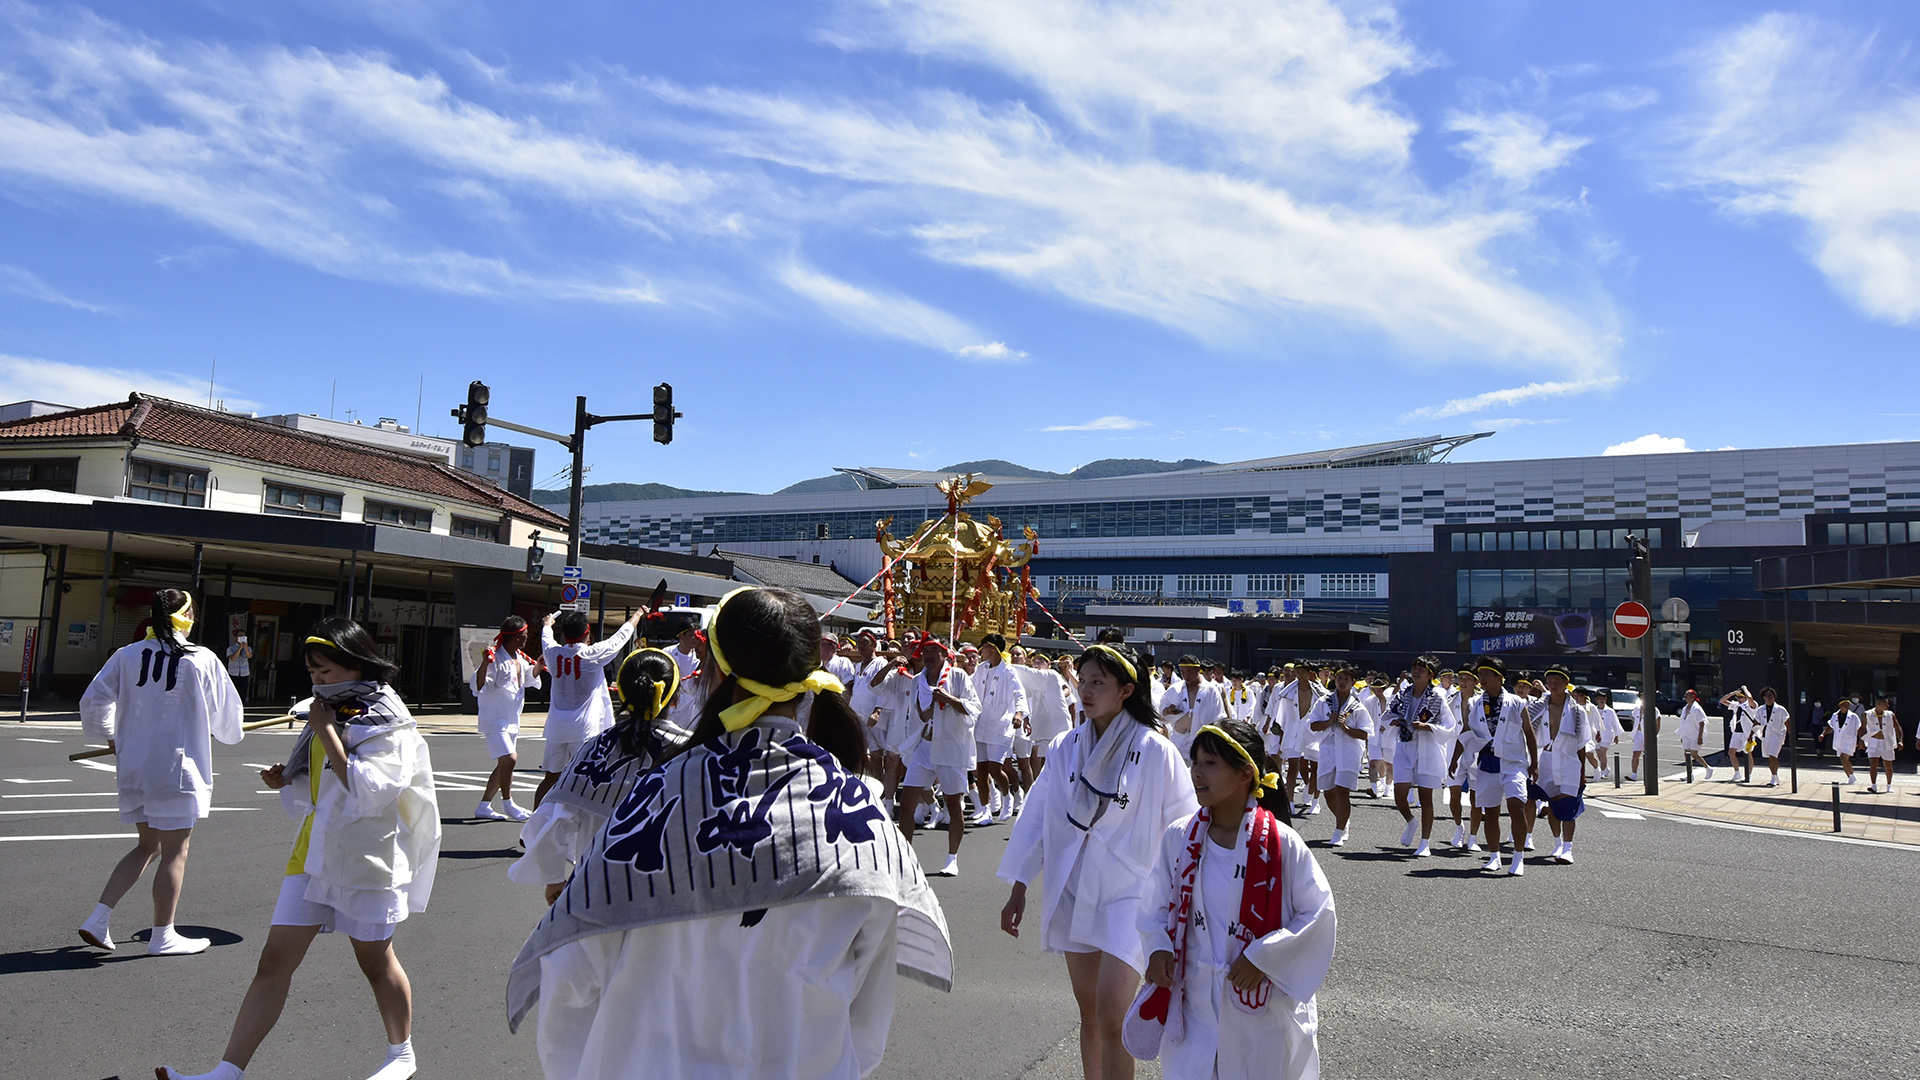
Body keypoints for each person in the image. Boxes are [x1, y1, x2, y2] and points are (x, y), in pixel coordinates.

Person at [506, 587, 952, 1080]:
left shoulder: (655, 796)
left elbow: (572, 978)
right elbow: (867, 1018)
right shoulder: (861, 812)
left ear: (714, 672)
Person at [158, 618, 439, 1080]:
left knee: (375, 960)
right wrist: (286, 775)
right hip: (313, 851)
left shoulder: (388, 719)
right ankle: (226, 1072)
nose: (317, 681)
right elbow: (324, 779)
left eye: (326, 670)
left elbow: (371, 791)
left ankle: (401, 1055)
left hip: (370, 857)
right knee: (273, 962)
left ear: (356, 665)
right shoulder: (329, 708)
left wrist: (326, 732)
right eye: (312, 671)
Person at [999, 642, 1197, 1080]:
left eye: (1098, 683)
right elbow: (1038, 814)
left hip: (1133, 893)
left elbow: (1183, 826)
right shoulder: (1066, 745)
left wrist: (1182, 901)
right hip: (1074, 884)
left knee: (1112, 1016)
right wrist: (1019, 883)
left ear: (1126, 691)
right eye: (1083, 680)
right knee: (1088, 1014)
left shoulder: (1155, 750)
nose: (1085, 691)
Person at [1131, 719, 1333, 1080]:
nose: (1197, 773)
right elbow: (1155, 904)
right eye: (1195, 762)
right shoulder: (1180, 837)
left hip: (1259, 1005)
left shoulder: (1281, 844)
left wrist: (1263, 958)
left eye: (1210, 763)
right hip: (1193, 999)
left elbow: (1317, 914)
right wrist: (1157, 946)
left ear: (1245, 774)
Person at [78, 589, 243, 956]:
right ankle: (163, 934)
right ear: (188, 617)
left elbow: (92, 701)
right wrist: (222, 729)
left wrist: (110, 735)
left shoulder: (127, 654)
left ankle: (98, 918)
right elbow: (228, 722)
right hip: (177, 769)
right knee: (174, 852)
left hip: (136, 766)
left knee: (147, 845)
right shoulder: (201, 659)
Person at [510, 646, 685, 903]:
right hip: (669, 897)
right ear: (676, 697)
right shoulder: (695, 750)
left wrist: (555, 881)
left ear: (622, 693)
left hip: (597, 892)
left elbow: (550, 818)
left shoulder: (596, 747)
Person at [535, 608, 641, 807]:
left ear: (565, 634)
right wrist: (637, 615)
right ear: (587, 634)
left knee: (550, 778)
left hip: (556, 728)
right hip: (584, 729)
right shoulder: (591, 655)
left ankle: (532, 826)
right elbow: (620, 637)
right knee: (581, 780)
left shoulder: (553, 653)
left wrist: (547, 625)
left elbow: (546, 638)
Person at [896, 638, 981, 876]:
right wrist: (930, 710)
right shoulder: (917, 681)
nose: (930, 655)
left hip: (950, 749)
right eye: (926, 651)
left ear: (945, 655)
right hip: (924, 747)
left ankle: (952, 858)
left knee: (954, 806)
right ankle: (906, 858)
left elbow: (975, 707)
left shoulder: (958, 677)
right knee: (906, 804)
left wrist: (949, 700)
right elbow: (919, 716)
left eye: (935, 651)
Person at [1465, 658, 1538, 876]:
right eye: (1480, 674)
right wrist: (1457, 758)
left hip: (1513, 762)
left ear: (1499, 677)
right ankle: (1494, 856)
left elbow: (1529, 733)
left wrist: (1534, 762)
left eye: (1487, 674)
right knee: (1491, 810)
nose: (1482, 678)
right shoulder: (1476, 703)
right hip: (1487, 762)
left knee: (1516, 805)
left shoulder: (1516, 702)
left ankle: (1518, 856)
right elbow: (1469, 733)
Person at [1382, 655, 1458, 857]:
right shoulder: (1402, 694)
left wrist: (1428, 726)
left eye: (1421, 670)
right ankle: (1410, 821)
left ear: (1430, 675)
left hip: (1427, 747)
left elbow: (1449, 725)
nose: (1416, 672)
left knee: (1426, 798)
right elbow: (1388, 714)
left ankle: (1425, 842)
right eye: (1414, 668)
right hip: (1405, 746)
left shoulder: (1437, 697)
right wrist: (1396, 721)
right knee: (1399, 794)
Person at [472, 615, 543, 822]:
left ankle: (483, 806)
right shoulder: (496, 657)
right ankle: (508, 802)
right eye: (524, 636)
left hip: (511, 718)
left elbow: (529, 678)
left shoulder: (518, 657)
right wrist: (485, 663)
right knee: (510, 759)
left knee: (504, 764)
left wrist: (537, 666)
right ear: (515, 637)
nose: (526, 639)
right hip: (495, 719)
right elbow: (479, 685)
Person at [1306, 664, 1373, 848]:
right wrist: (1329, 721)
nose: (1342, 682)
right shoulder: (1324, 701)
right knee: (1328, 792)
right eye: (1340, 678)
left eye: (1346, 679)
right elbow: (1312, 725)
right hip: (1328, 749)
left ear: (1353, 682)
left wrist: (1346, 728)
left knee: (1343, 791)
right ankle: (1343, 821)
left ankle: (1339, 830)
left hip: (1349, 750)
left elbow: (1366, 733)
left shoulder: (1357, 705)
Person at [972, 633, 1030, 824]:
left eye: (985, 647)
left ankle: (1007, 797)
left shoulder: (1008, 671)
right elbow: (969, 688)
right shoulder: (981, 669)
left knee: (995, 768)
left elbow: (1019, 694)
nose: (982, 651)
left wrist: (1019, 714)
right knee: (980, 769)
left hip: (1000, 725)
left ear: (994, 648)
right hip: (981, 725)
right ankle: (985, 810)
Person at [1536, 668, 1591, 864]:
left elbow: (1582, 743)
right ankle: (1557, 842)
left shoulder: (1577, 711)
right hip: (1546, 759)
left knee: (1568, 804)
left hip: (1569, 761)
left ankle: (1568, 848)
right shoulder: (1539, 707)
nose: (1553, 684)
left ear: (1565, 682)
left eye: (1557, 680)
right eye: (1550, 680)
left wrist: (1583, 771)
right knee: (1552, 803)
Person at [1160, 656, 1224, 762]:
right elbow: (1162, 710)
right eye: (1182, 672)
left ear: (1198, 670)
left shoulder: (1211, 690)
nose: (1185, 675)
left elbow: (1219, 717)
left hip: (1201, 742)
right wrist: (1168, 711)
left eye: (1189, 672)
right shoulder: (1175, 689)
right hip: (1179, 741)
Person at [1863, 696, 1902, 793]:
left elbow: (1897, 727)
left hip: (1887, 742)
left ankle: (1889, 785)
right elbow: (1862, 727)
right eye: (1886, 703)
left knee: (1888, 765)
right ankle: (1873, 785)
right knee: (1873, 764)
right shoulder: (1867, 714)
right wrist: (1861, 740)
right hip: (1873, 741)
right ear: (1879, 704)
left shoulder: (1890, 714)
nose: (1888, 705)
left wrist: (1900, 740)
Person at [1820, 699, 1862, 786]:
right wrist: (1823, 734)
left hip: (1850, 740)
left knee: (1844, 757)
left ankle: (1852, 776)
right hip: (1839, 740)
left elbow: (1859, 728)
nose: (1847, 706)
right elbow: (1830, 726)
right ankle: (1850, 777)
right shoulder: (1835, 715)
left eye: (1848, 705)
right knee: (1843, 760)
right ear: (1840, 706)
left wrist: (1861, 740)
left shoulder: (1854, 716)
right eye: (1845, 705)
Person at [1754, 688, 1791, 787]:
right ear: (1763, 697)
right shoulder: (1760, 710)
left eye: (1771, 695)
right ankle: (1776, 777)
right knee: (1769, 757)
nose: (1770, 697)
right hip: (1766, 735)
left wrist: (1791, 735)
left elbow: (1787, 722)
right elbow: (1756, 722)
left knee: (1773, 756)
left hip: (1778, 735)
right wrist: (1750, 735)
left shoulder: (1781, 709)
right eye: (1768, 696)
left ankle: (1773, 778)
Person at [1719, 687, 1756, 782]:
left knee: (1748, 753)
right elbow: (1722, 700)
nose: (1739, 699)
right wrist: (1732, 693)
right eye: (1738, 697)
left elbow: (1750, 698)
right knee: (1731, 752)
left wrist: (1745, 689)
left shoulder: (1750, 705)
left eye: (1741, 697)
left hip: (1747, 733)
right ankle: (1737, 773)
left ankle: (1749, 774)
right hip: (1736, 732)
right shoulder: (1736, 705)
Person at [1677, 689, 1712, 781]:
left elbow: (1702, 722)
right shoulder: (1685, 708)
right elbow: (1683, 722)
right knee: (1686, 753)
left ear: (1693, 696)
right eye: (1685, 695)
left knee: (1694, 754)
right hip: (1686, 734)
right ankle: (1690, 773)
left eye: (1687, 695)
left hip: (1695, 734)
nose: (1685, 696)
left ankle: (1708, 768)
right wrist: (1682, 734)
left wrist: (1700, 736)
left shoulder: (1697, 708)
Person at [225, 631, 252, 699]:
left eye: (243, 636)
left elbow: (249, 656)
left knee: (242, 693)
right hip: (233, 673)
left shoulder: (248, 648)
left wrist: (245, 647)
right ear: (236, 637)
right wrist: (239, 648)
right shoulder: (231, 648)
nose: (241, 638)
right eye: (240, 636)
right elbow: (233, 658)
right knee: (232, 694)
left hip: (244, 673)